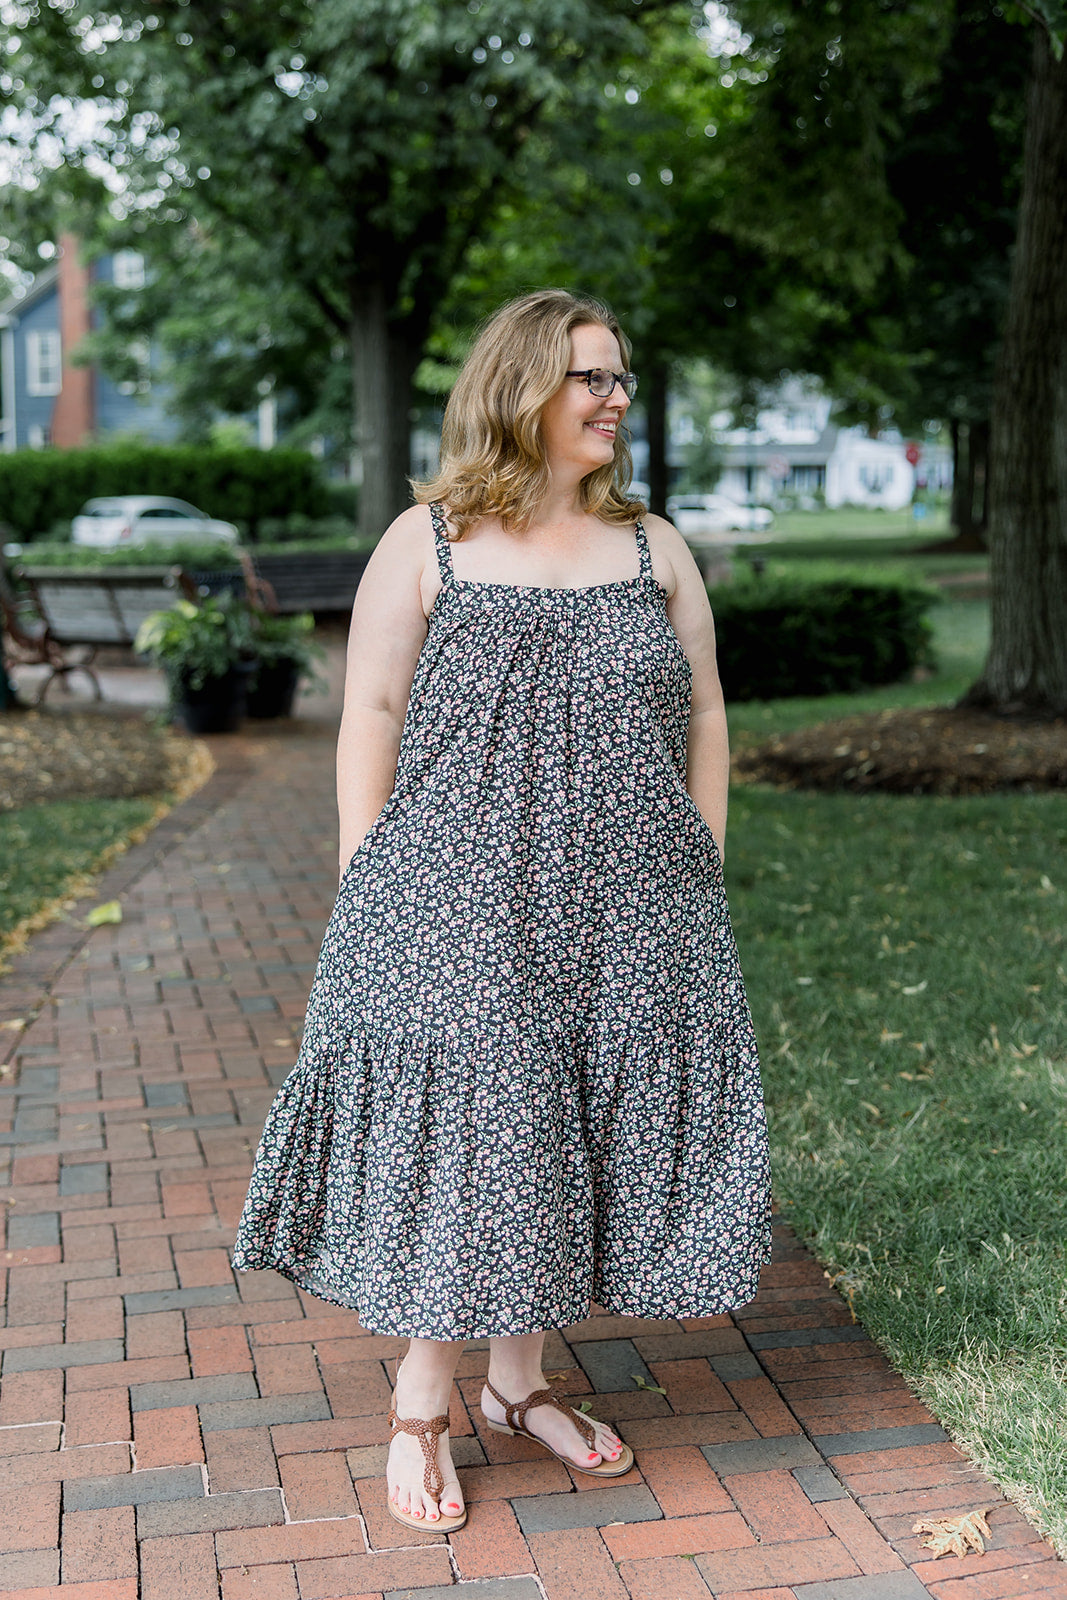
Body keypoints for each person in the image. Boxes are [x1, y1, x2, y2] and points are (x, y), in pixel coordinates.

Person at [232, 289, 772, 1534]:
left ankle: (517, 1384)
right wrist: (369, 871)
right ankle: (422, 1401)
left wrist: (700, 854)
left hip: (632, 896)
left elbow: (702, 715)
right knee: (483, 1122)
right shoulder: (424, 540)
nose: (613, 396)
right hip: (453, 894)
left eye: (621, 376)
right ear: (518, 388)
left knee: (566, 1118)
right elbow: (366, 713)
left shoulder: (654, 548)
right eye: (588, 376)